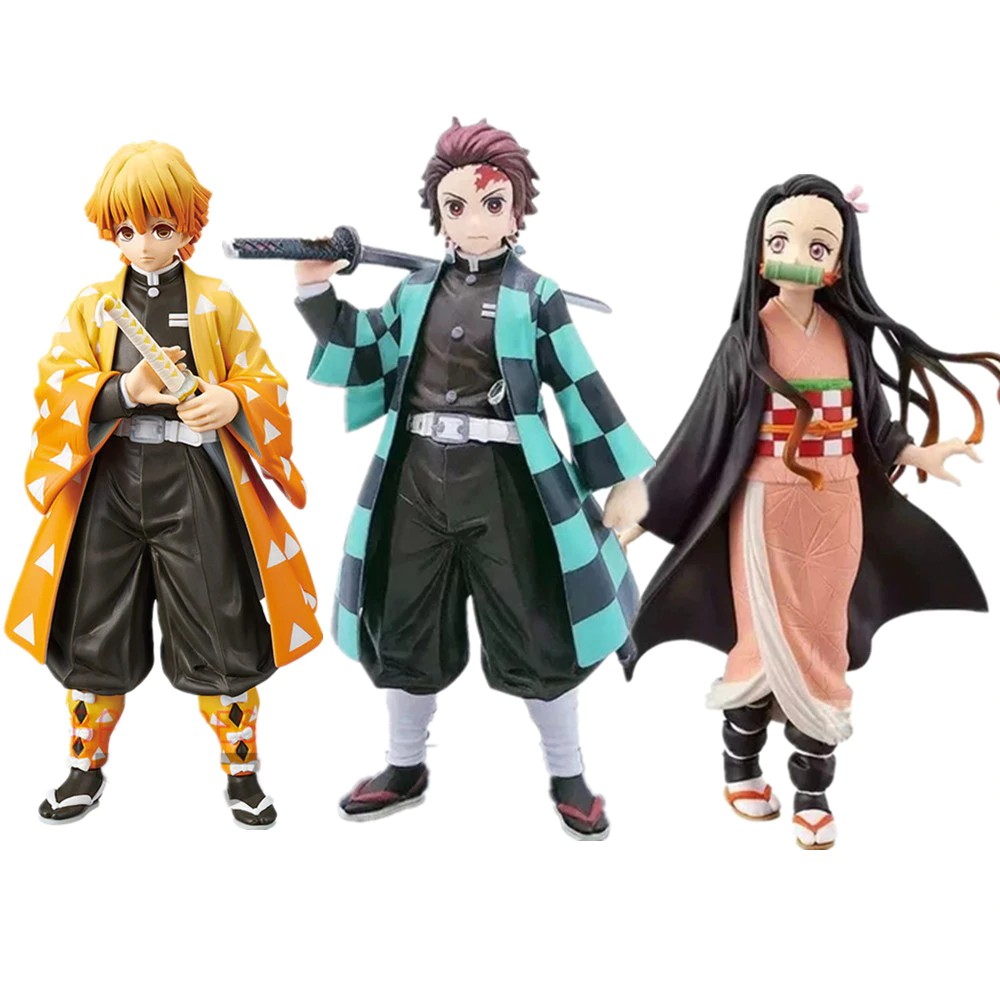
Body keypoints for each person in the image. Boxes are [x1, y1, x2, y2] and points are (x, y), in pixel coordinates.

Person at [295, 119, 651, 840]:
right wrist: (315, 290)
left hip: (508, 489)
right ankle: (404, 765)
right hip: (414, 486)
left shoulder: (534, 295)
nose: (474, 221)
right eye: (455, 206)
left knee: (540, 626)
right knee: (401, 621)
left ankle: (568, 772)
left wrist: (626, 480)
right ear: (438, 214)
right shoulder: (413, 293)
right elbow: (366, 353)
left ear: (518, 211)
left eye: (493, 204)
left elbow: (578, 381)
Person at [623, 176, 994, 849]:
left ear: (839, 262)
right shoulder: (747, 341)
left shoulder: (847, 337)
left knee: (823, 644)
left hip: (838, 503)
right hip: (765, 506)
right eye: (782, 240)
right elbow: (700, 435)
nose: (798, 254)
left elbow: (872, 423)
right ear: (760, 253)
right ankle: (740, 769)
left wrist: (917, 451)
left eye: (818, 245)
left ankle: (813, 792)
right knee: (762, 641)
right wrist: (644, 509)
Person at [6, 141, 321, 828]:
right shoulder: (94, 306)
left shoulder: (217, 302)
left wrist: (231, 402)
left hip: (193, 481)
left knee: (221, 620)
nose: (144, 245)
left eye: (159, 227)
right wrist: (123, 390)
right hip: (110, 483)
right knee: (91, 624)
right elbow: (55, 384)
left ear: (187, 224)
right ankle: (84, 765)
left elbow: (263, 379)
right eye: (126, 230)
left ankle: (242, 772)